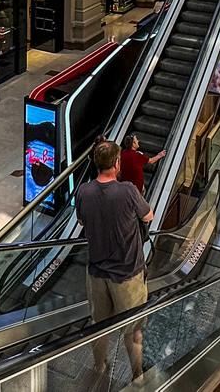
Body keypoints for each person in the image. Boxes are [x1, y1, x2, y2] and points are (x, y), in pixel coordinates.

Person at [76, 140, 153, 381]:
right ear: (117, 163)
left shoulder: (84, 191)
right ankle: (137, 375)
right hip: (127, 274)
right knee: (133, 331)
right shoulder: (128, 191)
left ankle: (99, 366)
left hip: (97, 272)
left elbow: (81, 222)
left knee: (99, 325)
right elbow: (148, 215)